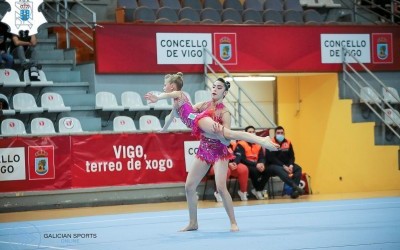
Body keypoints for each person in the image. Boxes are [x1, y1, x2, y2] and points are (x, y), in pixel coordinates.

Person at [144, 73, 279, 151]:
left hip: (199, 120)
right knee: (225, 137)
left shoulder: (179, 94)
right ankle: (261, 140)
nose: (164, 87)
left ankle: (262, 140)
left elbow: (169, 94)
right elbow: (169, 118)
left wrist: (158, 97)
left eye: (165, 85)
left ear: (172, 86)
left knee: (230, 133)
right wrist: (162, 130)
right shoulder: (176, 106)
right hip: (200, 127)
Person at [265, 126, 304, 199]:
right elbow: (271, 158)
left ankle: (294, 192)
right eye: (278, 133)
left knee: (298, 169)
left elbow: (292, 156)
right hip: (273, 166)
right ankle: (295, 186)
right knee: (280, 169)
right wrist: (284, 166)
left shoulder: (288, 142)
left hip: (286, 165)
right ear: (275, 134)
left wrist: (291, 165)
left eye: (282, 133)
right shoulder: (270, 143)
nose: (280, 134)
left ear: (284, 134)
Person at [234, 126, 269, 200]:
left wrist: (262, 163)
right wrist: (256, 165)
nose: (252, 133)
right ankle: (258, 190)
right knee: (254, 171)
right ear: (246, 134)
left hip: (257, 164)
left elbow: (262, 157)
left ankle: (258, 189)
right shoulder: (241, 143)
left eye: (253, 132)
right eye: (250, 132)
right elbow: (242, 159)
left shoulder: (258, 144)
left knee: (267, 170)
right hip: (247, 165)